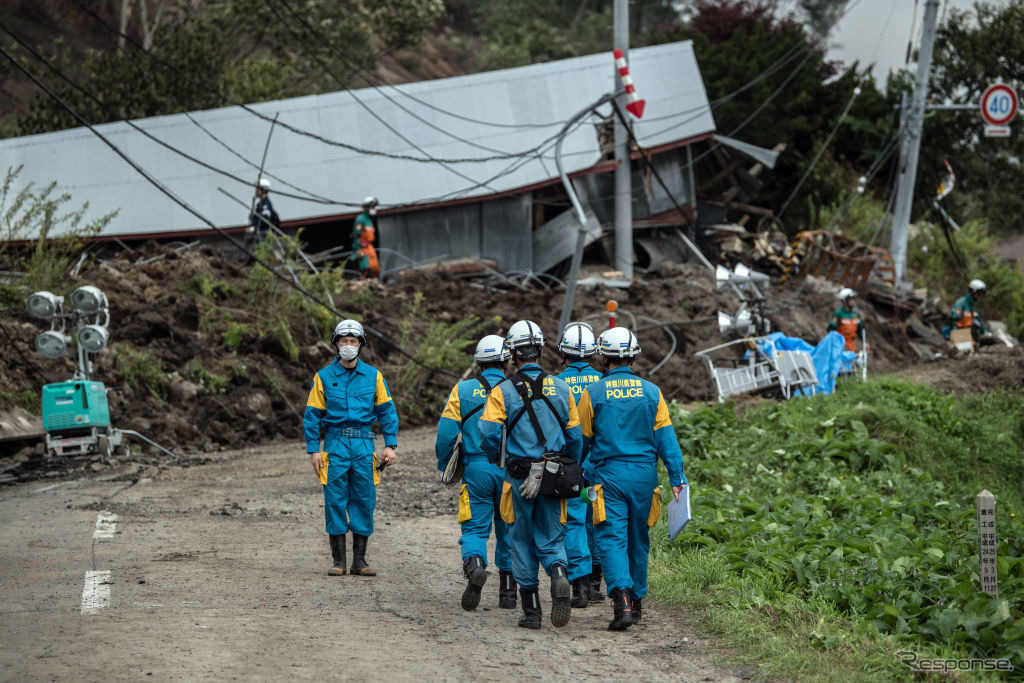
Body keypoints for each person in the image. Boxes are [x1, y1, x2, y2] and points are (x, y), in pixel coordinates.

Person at [576, 327, 686, 631]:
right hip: (644, 477)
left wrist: (579, 470)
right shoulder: (652, 392)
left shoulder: (593, 393)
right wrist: (677, 477)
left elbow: (581, 440)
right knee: (639, 538)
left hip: (607, 476)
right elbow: (667, 438)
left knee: (611, 538)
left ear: (603, 357)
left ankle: (621, 600)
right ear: (634, 356)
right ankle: (637, 602)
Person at [479, 320, 583, 630]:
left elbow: (487, 431)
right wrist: (568, 465)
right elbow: (575, 437)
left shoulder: (502, 392)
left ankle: (532, 611)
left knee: (520, 540)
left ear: (511, 354)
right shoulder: (563, 388)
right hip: (553, 474)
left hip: (519, 475)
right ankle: (560, 574)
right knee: (553, 536)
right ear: (540, 350)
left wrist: (497, 458)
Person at [304, 319, 398, 577]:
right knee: (334, 499)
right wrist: (314, 449)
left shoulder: (373, 376)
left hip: (364, 443)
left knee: (364, 499)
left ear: (361, 345)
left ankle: (359, 561)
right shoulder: (322, 377)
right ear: (336, 344)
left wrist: (390, 446)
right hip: (334, 444)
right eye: (343, 341)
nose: (348, 345)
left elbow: (387, 411)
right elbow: (312, 415)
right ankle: (338, 561)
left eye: (353, 341)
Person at [435, 335, 516, 612]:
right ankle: (508, 593)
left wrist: (445, 463)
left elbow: (446, 433)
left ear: (478, 362)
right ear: (507, 361)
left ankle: (476, 566)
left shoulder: (463, 389)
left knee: (474, 528)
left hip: (476, 469)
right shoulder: (517, 389)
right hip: (510, 469)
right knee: (509, 529)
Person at [555, 322, 603, 608]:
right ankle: (597, 583)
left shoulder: (555, 384)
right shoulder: (603, 382)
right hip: (597, 468)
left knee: (573, 522)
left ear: (563, 352)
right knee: (595, 519)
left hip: (570, 469)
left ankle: (579, 586)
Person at [827, 288, 864, 354]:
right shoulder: (839, 314)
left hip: (852, 346)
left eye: (853, 299)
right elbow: (830, 330)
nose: (853, 301)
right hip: (840, 346)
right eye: (850, 299)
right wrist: (836, 344)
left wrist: (865, 342)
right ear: (844, 301)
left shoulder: (856, 314)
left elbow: (860, 330)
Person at [353, 197, 381, 279]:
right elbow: (355, 236)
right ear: (366, 208)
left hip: (370, 247)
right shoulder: (360, 219)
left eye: (374, 207)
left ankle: (376, 285)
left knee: (376, 268)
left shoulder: (369, 220)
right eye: (372, 207)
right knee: (366, 269)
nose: (373, 209)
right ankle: (363, 287)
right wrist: (358, 249)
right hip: (363, 247)